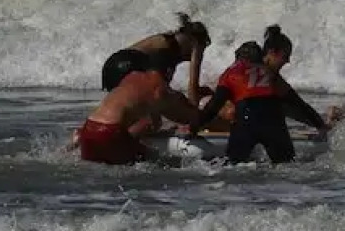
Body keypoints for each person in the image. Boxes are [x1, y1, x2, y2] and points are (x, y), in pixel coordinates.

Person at [183, 26, 329, 165]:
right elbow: (297, 103)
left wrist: (195, 126)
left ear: (237, 59)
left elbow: (213, 107)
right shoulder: (269, 73)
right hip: (273, 119)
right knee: (286, 164)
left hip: (247, 118)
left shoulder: (230, 73)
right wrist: (320, 125)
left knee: (233, 165)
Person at [73, 62, 203, 166]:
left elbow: (150, 122)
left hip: (89, 129)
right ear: (169, 72)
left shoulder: (132, 78)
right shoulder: (160, 89)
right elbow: (187, 116)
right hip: (110, 133)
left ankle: (77, 140)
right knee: (158, 162)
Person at [101, 14, 212, 100]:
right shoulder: (195, 45)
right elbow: (192, 86)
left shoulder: (169, 45)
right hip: (130, 64)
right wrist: (195, 118)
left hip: (111, 65)